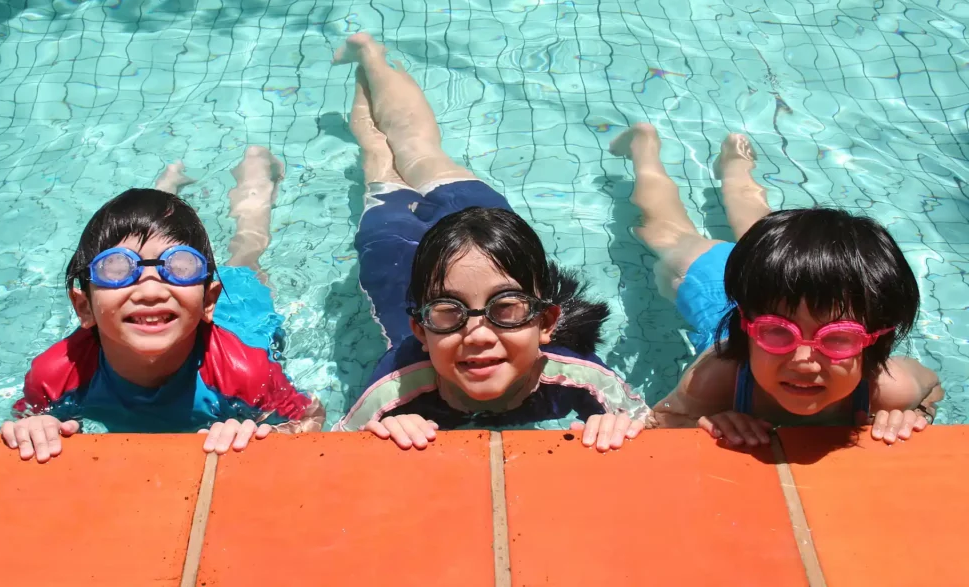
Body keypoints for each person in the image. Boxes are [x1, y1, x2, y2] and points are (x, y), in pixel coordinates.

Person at [330, 34, 649, 451]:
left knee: (411, 149)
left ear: (547, 322)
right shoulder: (396, 390)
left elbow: (652, 426)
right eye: (448, 314)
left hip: (482, 232)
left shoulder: (579, 378)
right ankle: (368, 57)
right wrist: (382, 428)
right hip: (396, 250)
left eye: (507, 308)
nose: (478, 335)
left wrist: (623, 427)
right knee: (379, 152)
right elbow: (336, 447)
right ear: (420, 332)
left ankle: (369, 57)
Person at [610, 122, 943, 446]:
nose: (803, 360)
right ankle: (645, 147)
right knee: (666, 231)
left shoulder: (888, 388)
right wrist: (705, 422)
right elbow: (663, 421)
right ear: (746, 326)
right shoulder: (717, 377)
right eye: (779, 332)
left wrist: (915, 415)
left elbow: (931, 389)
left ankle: (736, 167)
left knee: (763, 231)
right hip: (712, 282)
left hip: (777, 298)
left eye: (838, 338)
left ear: (875, 341)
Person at [0, 148, 324, 462]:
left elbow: (309, 416)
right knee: (149, 231)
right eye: (117, 268)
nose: (150, 290)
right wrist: (35, 427)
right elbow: (26, 418)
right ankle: (166, 195)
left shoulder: (245, 372)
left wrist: (264, 436)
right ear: (84, 307)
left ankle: (254, 180)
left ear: (209, 301)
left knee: (246, 254)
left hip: (242, 312)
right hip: (184, 303)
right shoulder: (56, 374)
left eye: (180, 265)